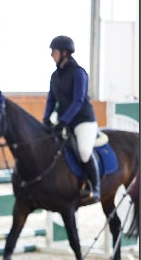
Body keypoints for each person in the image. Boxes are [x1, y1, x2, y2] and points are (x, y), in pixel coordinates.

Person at [43, 35, 100, 202]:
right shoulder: (55, 76)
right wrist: (46, 118)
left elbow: (78, 100)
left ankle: (95, 188)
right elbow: (51, 100)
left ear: (64, 52)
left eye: (54, 52)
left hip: (83, 120)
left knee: (83, 152)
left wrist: (63, 121)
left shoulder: (79, 73)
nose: (52, 55)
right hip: (63, 119)